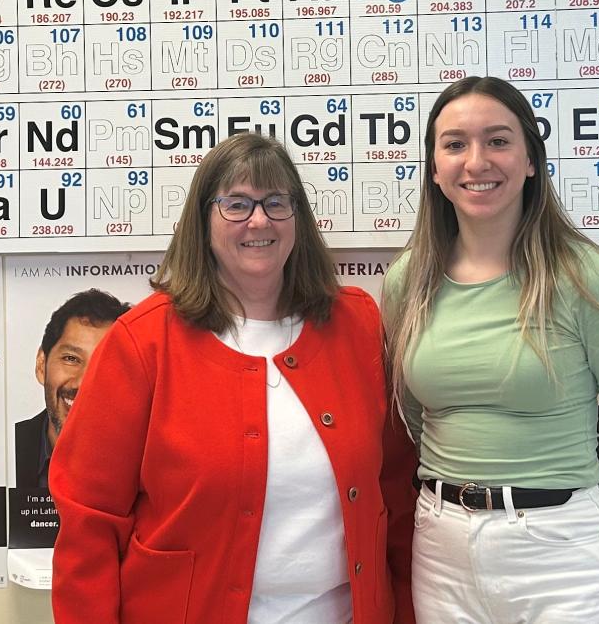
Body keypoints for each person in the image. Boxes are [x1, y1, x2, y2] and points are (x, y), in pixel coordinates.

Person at [50, 133, 417, 624]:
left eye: (275, 202)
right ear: (203, 222)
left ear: (298, 220)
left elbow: (396, 496)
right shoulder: (142, 342)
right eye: (236, 204)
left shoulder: (358, 324)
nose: (259, 220)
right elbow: (90, 521)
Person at [382, 77, 599, 623]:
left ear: (531, 160)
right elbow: (417, 423)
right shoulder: (409, 281)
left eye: (498, 141)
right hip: (442, 545)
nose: (477, 162)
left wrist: (597, 543)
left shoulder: (587, 279)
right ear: (434, 167)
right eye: (454, 144)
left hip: (565, 551)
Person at [14, 289, 130, 488]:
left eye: (103, 364)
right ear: (42, 365)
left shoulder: (144, 461)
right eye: (71, 359)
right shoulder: (8, 445)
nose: (84, 382)